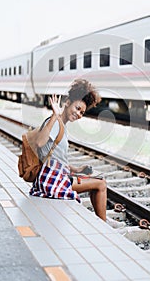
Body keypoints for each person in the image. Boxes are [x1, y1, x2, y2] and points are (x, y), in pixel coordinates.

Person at [29, 79, 107, 221]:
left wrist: (76, 169)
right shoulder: (55, 122)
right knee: (100, 184)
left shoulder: (62, 126)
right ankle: (104, 223)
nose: (79, 114)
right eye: (77, 109)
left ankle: (103, 219)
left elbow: (55, 159)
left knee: (98, 179)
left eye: (82, 112)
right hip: (52, 181)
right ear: (68, 103)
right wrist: (55, 114)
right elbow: (40, 142)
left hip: (56, 177)